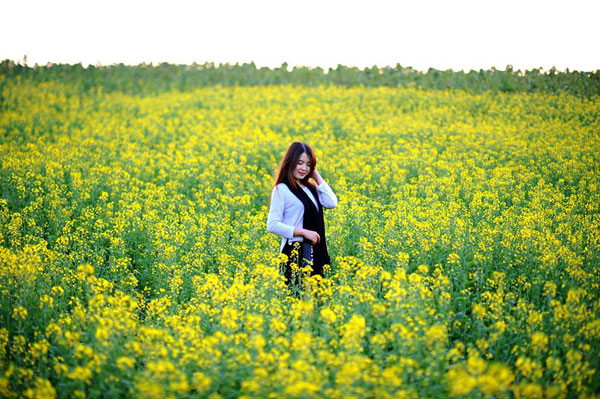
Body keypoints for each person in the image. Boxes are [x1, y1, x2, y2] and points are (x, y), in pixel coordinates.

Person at [267, 142, 338, 288]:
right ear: (290, 162)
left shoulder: (310, 188)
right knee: (297, 298)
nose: (304, 168)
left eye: (308, 164)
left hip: (316, 251)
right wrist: (303, 232)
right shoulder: (282, 189)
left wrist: (316, 176)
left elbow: (331, 203)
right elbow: (272, 225)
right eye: (300, 163)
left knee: (318, 299)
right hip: (294, 253)